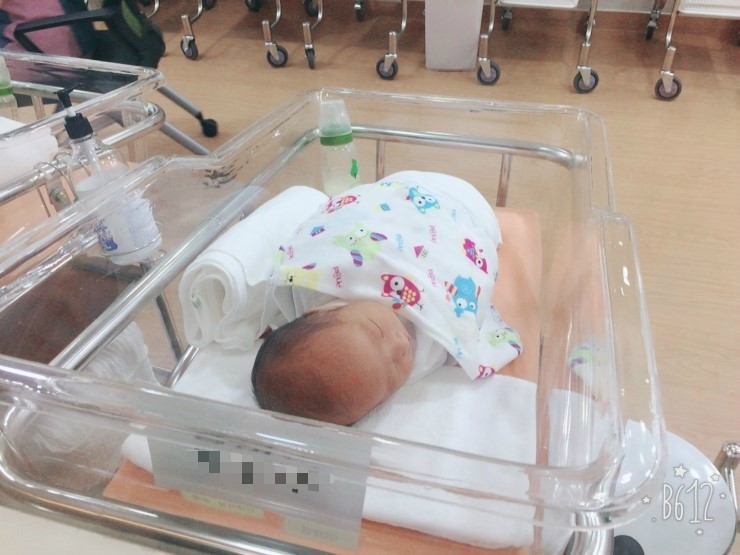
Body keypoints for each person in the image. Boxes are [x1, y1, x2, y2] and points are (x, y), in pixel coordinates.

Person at [252, 171, 523, 425]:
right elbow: (467, 329)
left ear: (317, 312)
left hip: (397, 189)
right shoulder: (428, 351)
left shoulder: (311, 289)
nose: (401, 345)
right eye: (393, 372)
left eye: (377, 331)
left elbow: (312, 250)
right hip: (467, 206)